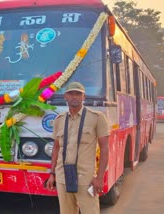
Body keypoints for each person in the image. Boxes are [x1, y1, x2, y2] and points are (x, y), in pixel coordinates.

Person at [46, 81, 109, 214]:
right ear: (65, 97)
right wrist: (52, 174)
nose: (74, 97)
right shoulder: (59, 120)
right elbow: (56, 148)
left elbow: (104, 148)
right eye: (71, 93)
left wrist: (100, 177)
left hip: (86, 179)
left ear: (84, 97)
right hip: (63, 178)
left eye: (78, 94)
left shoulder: (97, 117)